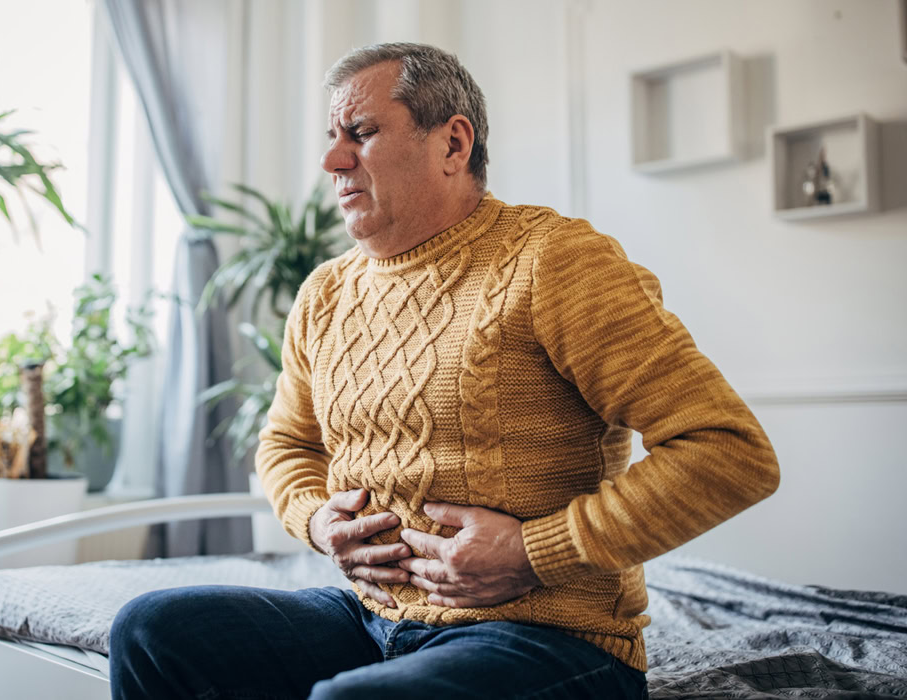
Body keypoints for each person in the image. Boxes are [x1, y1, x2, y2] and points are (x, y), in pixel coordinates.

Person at [109, 42, 780, 699]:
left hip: (545, 636)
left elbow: (728, 451)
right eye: (331, 136)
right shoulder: (324, 294)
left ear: (453, 145)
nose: (331, 159)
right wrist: (318, 523)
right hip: (374, 619)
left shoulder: (555, 261)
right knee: (151, 629)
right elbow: (287, 445)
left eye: (361, 132)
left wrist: (533, 550)